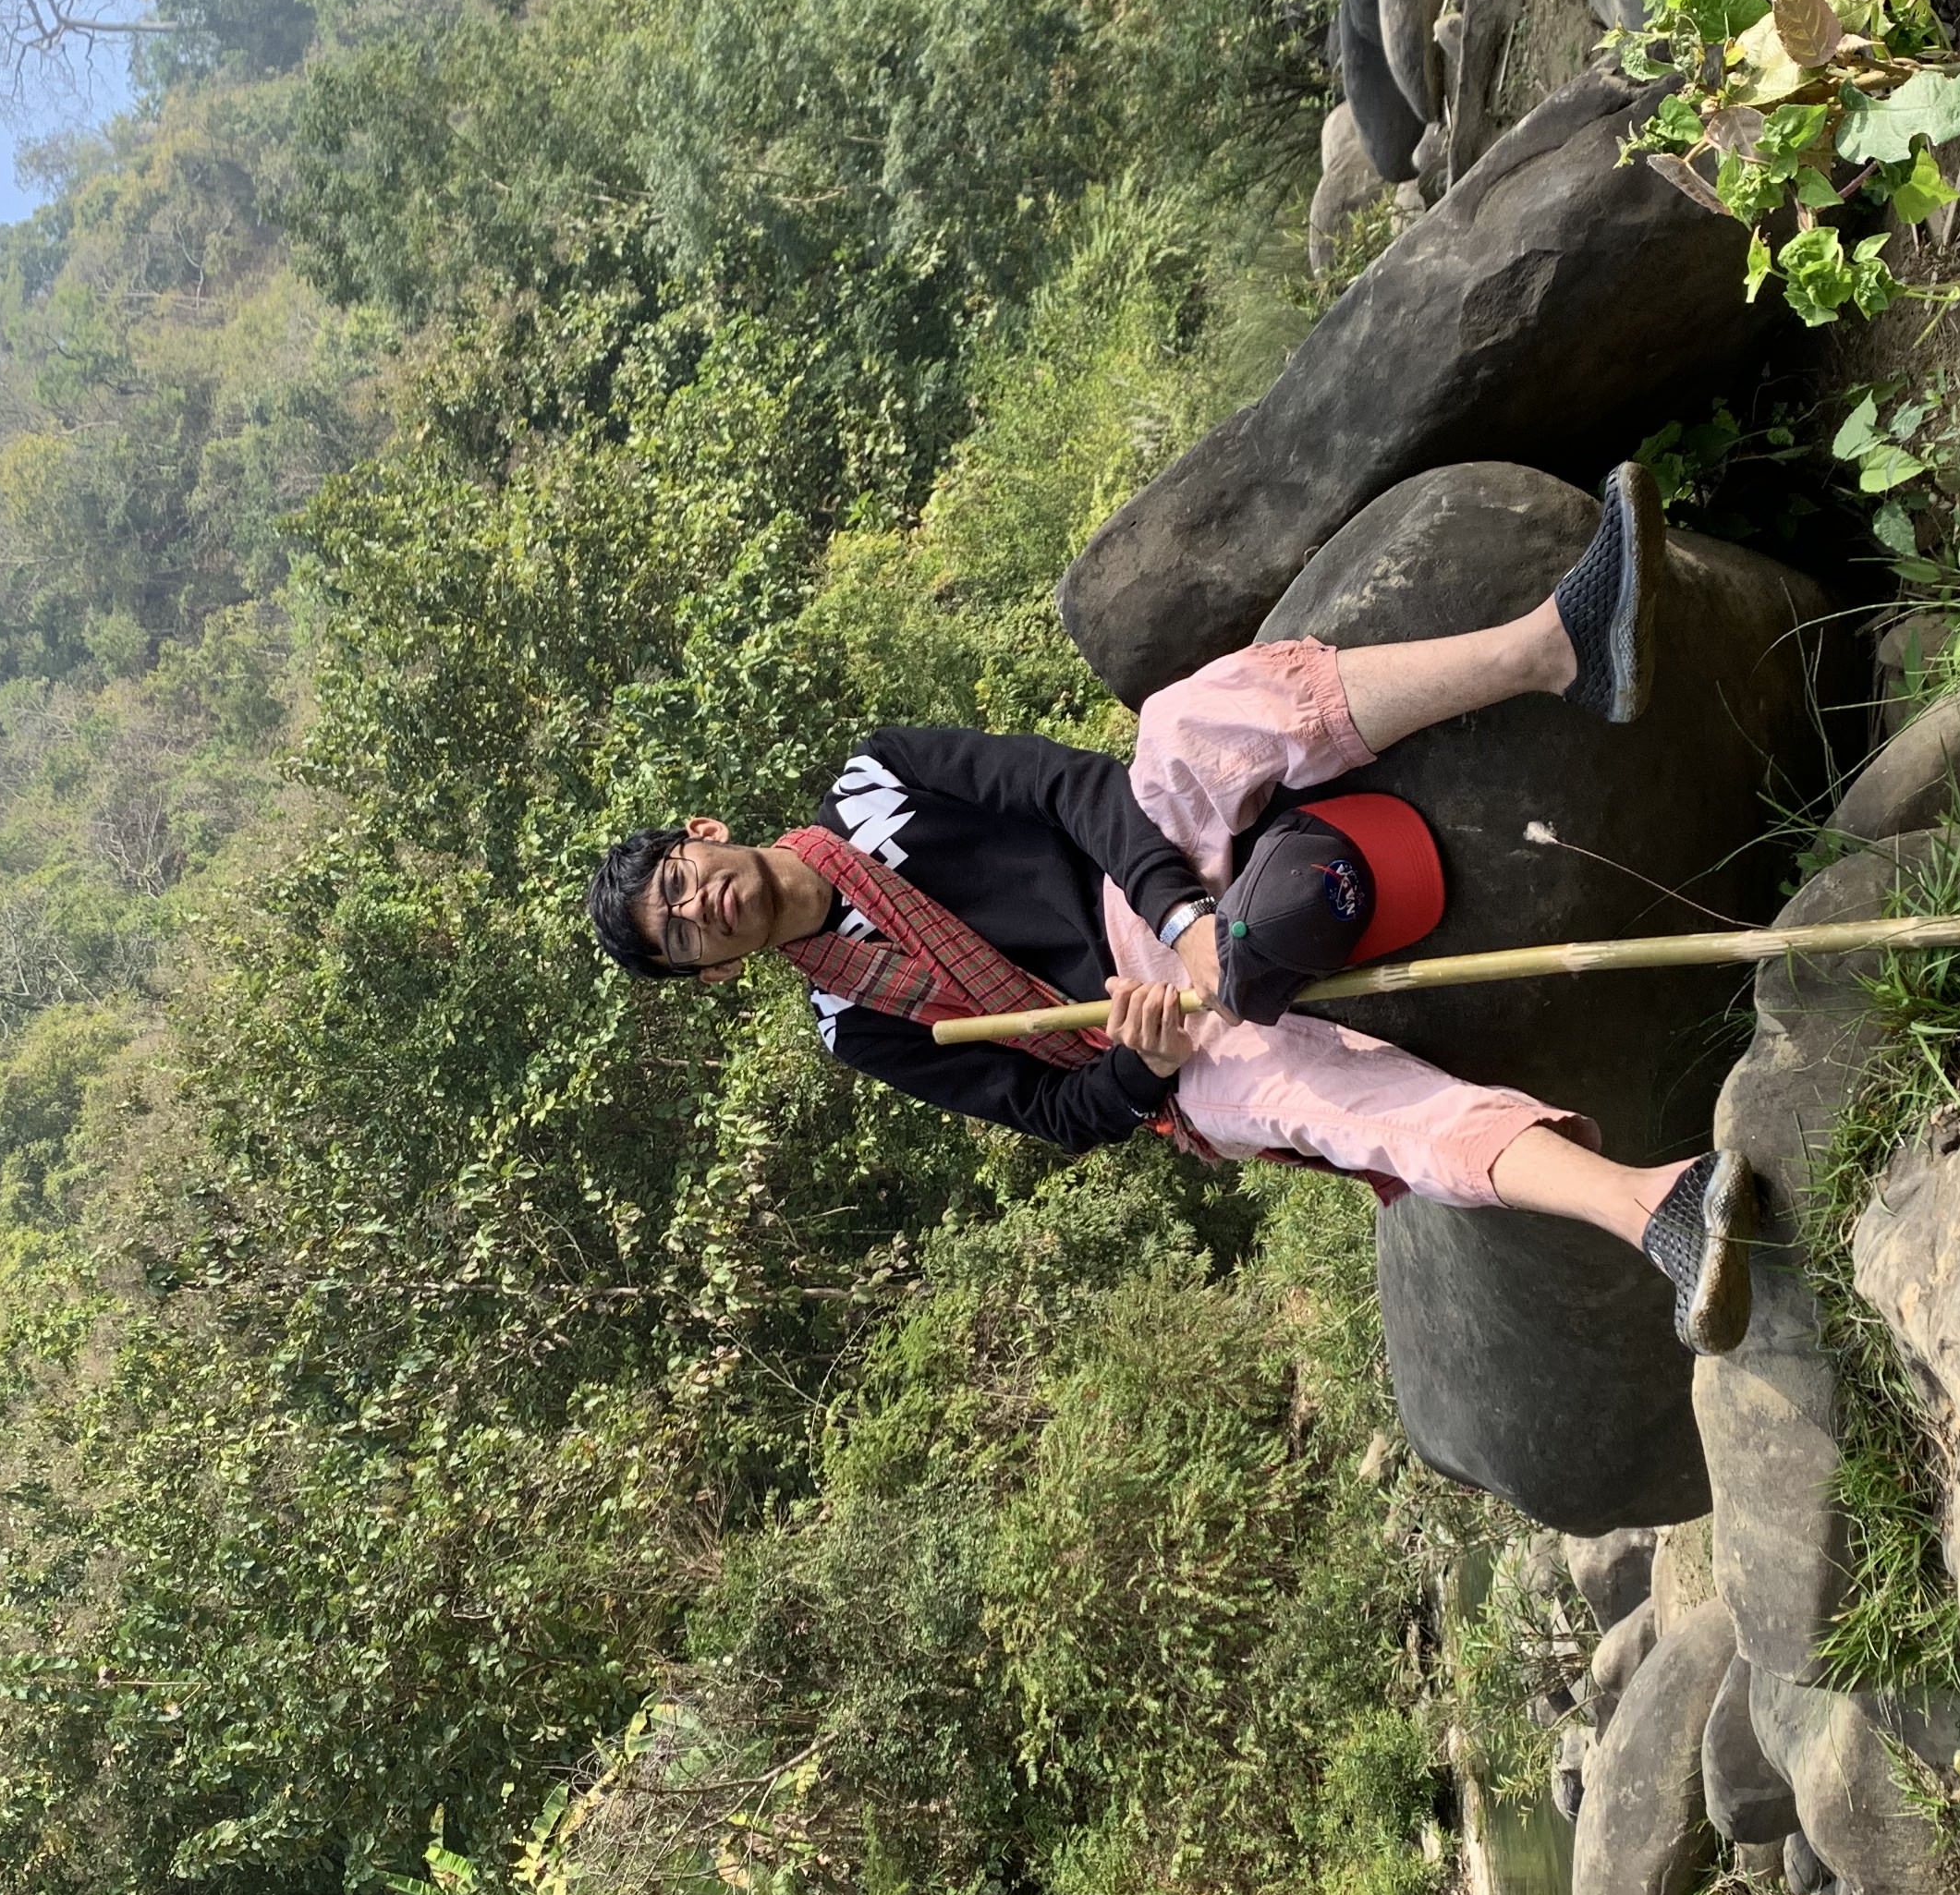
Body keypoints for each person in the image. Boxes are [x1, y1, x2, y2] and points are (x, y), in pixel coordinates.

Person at [585, 464, 1759, 1352]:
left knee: (1183, 728)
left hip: (1145, 878)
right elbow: (1053, 1110)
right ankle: (1650, 1205)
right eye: (682, 935)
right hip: (1154, 1038)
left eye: (680, 886)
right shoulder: (854, 1022)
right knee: (1317, 1103)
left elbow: (1071, 789)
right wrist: (1144, 1062)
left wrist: (1184, 917)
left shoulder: (877, 779)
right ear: (715, 972)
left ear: (702, 835)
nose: (703, 908)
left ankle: (1555, 645)